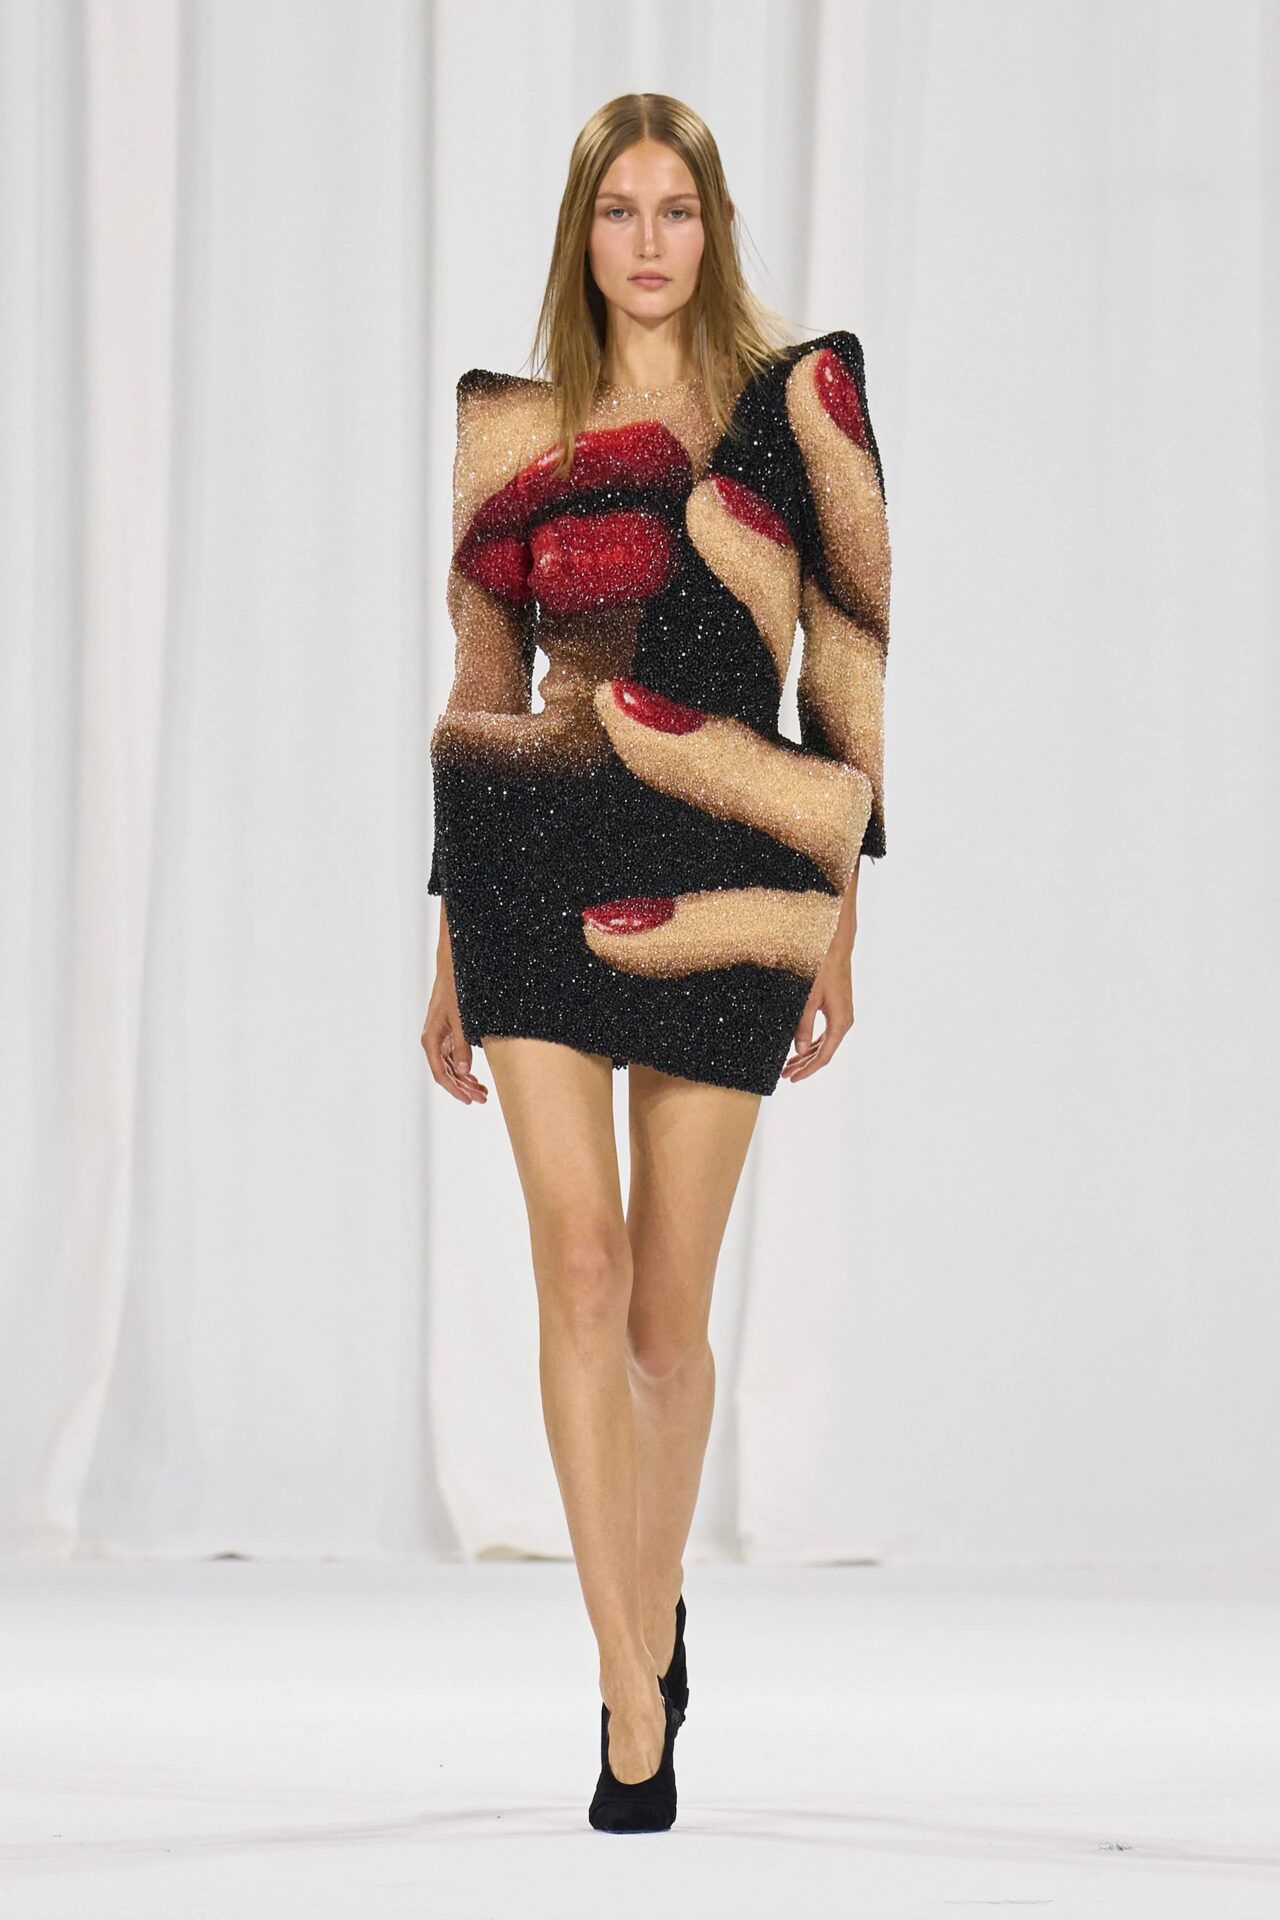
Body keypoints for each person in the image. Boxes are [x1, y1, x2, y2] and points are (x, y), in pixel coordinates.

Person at [420, 91, 891, 1833]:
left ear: (714, 228)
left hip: (731, 867)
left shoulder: (798, 410)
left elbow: (849, 663)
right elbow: (483, 689)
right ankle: (629, 1684)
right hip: (535, 857)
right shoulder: (513, 426)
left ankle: (659, 1598)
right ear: (582, 233)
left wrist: (840, 913)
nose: (646, 240)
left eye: (673, 209)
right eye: (618, 210)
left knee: (671, 1315)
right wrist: (450, 936)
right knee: (582, 1261)